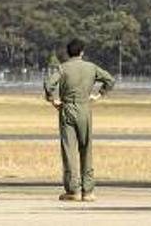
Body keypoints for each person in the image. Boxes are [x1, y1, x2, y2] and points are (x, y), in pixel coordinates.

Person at [43, 38, 115, 202]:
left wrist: (52, 99)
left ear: (68, 52)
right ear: (82, 52)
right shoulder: (91, 68)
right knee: (86, 148)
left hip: (67, 108)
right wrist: (99, 94)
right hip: (85, 108)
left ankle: (72, 190)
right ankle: (88, 190)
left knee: (69, 151)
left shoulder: (63, 68)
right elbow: (110, 79)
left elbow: (49, 84)